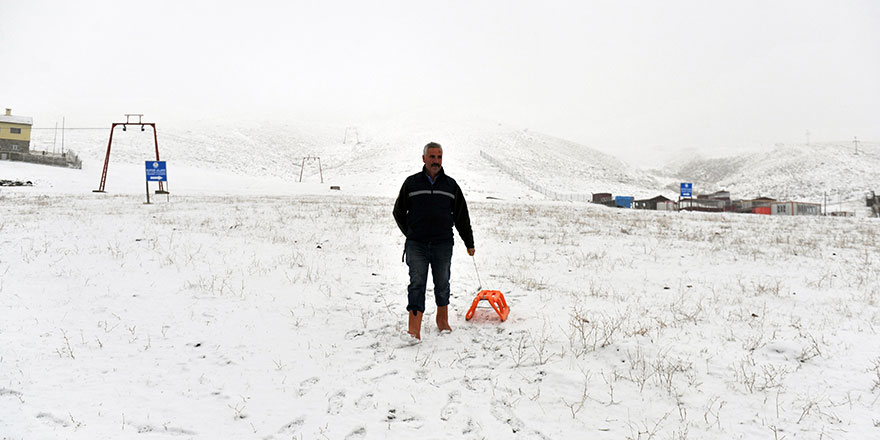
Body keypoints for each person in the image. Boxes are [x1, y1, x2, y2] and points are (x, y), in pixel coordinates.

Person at [393, 142, 475, 340]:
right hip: (417, 245)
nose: (436, 161)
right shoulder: (411, 183)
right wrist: (411, 234)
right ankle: (414, 329)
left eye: (439, 157)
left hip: (443, 244)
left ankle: (442, 320)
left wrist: (469, 243)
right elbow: (398, 212)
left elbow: (461, 217)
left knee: (442, 282)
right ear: (424, 158)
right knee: (417, 283)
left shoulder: (451, 186)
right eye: (432, 157)